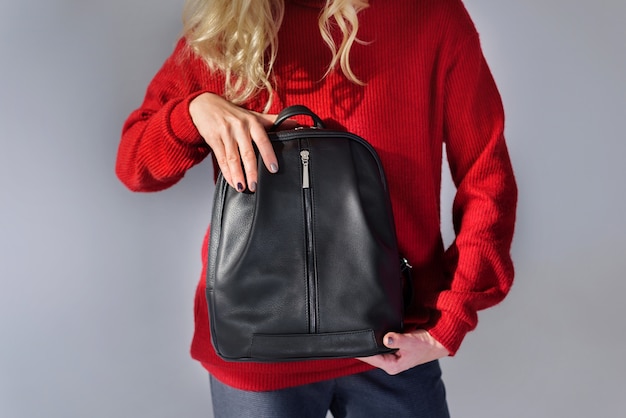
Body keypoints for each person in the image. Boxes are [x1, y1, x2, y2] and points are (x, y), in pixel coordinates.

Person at [115, 0, 517, 416]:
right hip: (258, 359)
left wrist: (451, 319)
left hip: (395, 344)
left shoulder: (430, 14)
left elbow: (486, 177)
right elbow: (134, 167)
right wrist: (192, 113)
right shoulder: (230, 24)